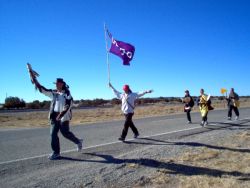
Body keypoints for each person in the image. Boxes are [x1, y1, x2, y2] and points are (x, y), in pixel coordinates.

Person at [31, 77, 83, 160]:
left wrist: (61, 114)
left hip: (64, 117)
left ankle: (78, 141)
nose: (56, 85)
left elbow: (68, 105)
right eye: (56, 84)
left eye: (58, 84)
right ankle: (56, 153)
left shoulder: (67, 94)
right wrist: (34, 79)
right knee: (53, 134)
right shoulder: (54, 93)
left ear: (62, 84)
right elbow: (42, 89)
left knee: (65, 133)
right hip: (54, 116)